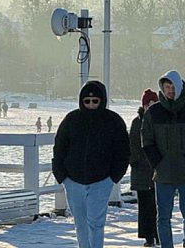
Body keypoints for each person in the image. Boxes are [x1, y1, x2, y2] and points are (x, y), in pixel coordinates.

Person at [52, 81, 130, 248]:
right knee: (80, 224)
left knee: (96, 223)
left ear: (102, 100)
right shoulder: (71, 119)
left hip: (101, 181)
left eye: (95, 101)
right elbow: (59, 148)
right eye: (87, 101)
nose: (91, 104)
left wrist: (113, 177)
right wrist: (62, 176)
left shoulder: (113, 121)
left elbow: (123, 152)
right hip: (73, 181)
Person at [141, 70, 185, 248]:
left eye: (172, 87)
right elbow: (146, 140)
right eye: (166, 87)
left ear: (179, 87)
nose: (170, 90)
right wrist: (157, 163)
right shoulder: (153, 113)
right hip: (163, 173)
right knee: (163, 216)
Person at [130, 89, 160, 247]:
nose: (151, 107)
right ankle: (149, 236)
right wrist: (137, 161)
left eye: (154, 104)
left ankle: (158, 234)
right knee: (145, 205)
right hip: (142, 171)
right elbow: (133, 146)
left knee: (159, 204)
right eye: (149, 104)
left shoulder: (160, 121)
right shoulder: (137, 122)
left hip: (158, 170)